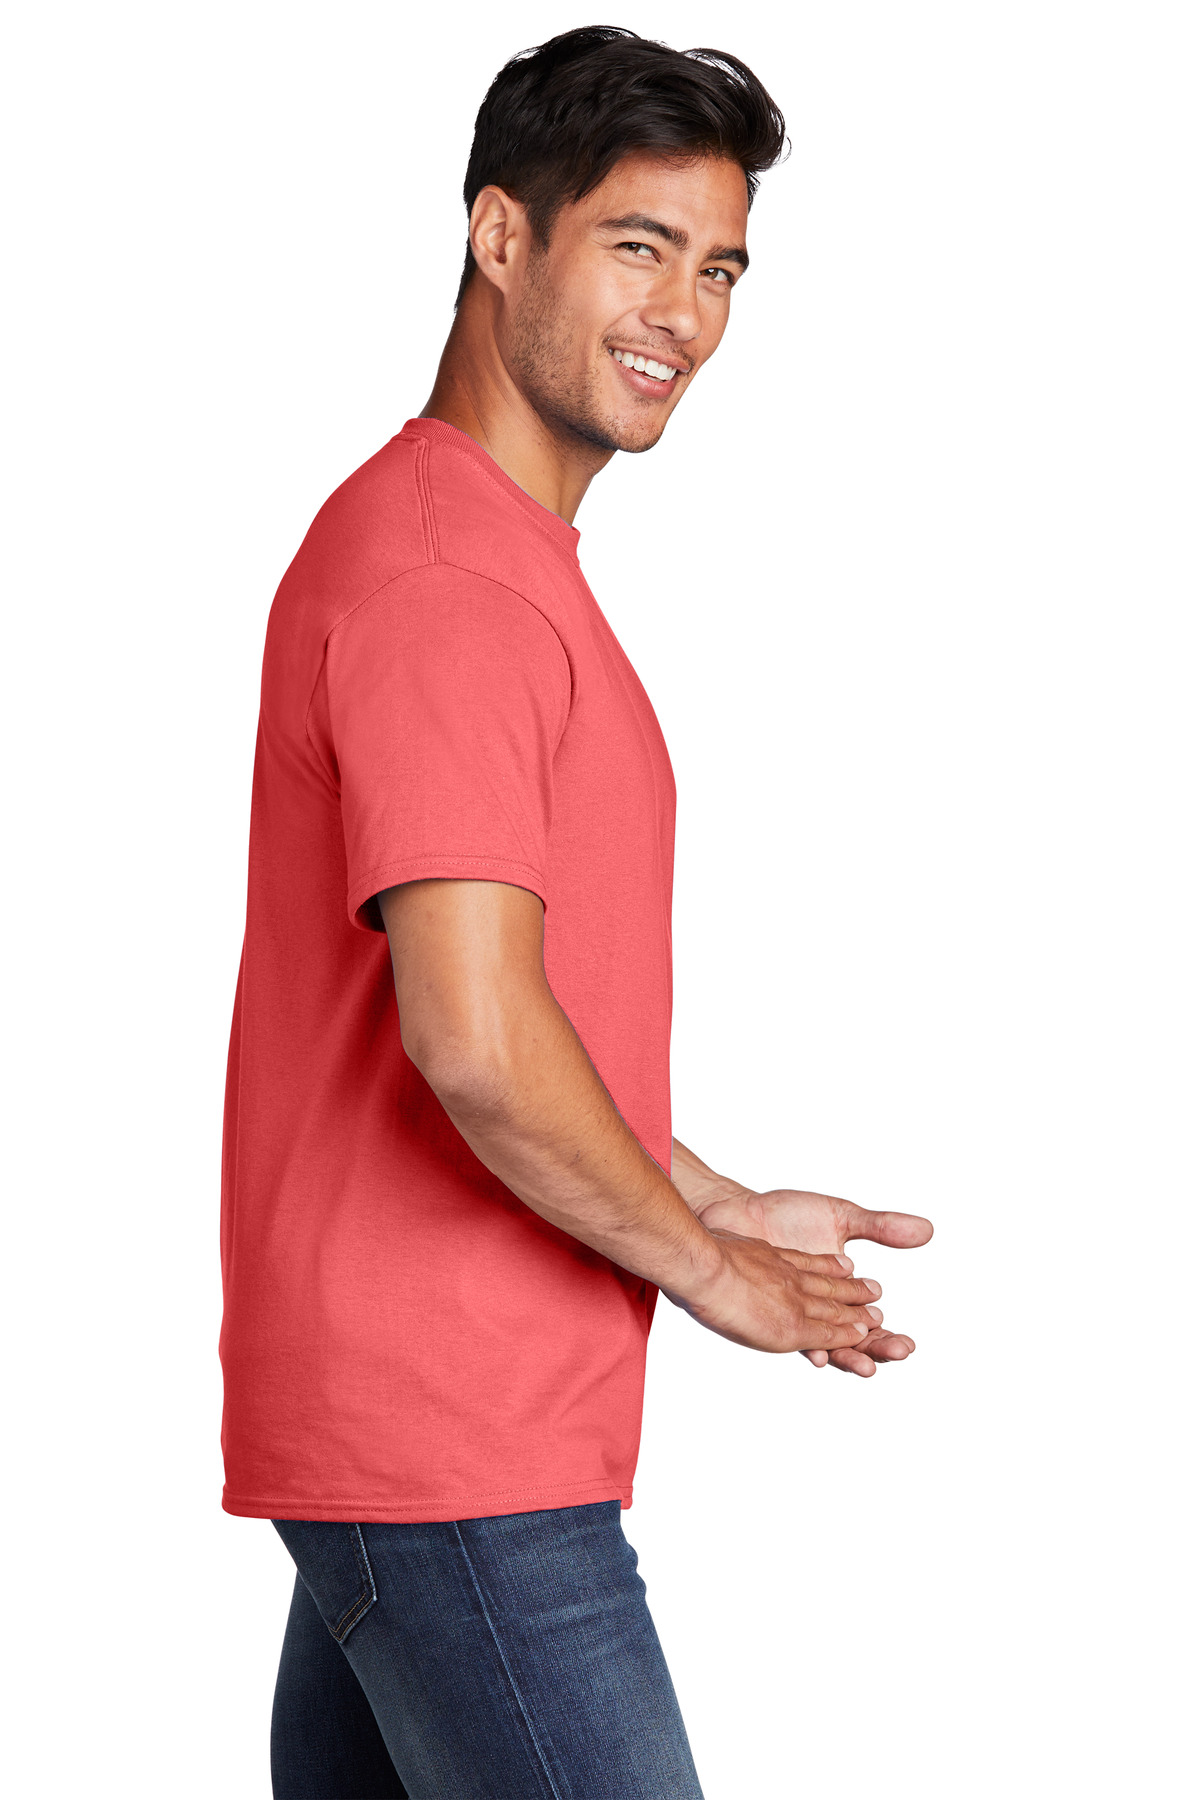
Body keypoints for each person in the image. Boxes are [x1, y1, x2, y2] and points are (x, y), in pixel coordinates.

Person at [219, 25, 934, 1799]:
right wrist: (707, 1268)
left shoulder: (470, 552)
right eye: (638, 247)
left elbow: (493, 1016)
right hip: (461, 1452)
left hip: (431, 1439)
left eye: (722, 270)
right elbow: (470, 1039)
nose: (683, 315)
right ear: (501, 236)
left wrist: (711, 1193)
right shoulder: (450, 583)